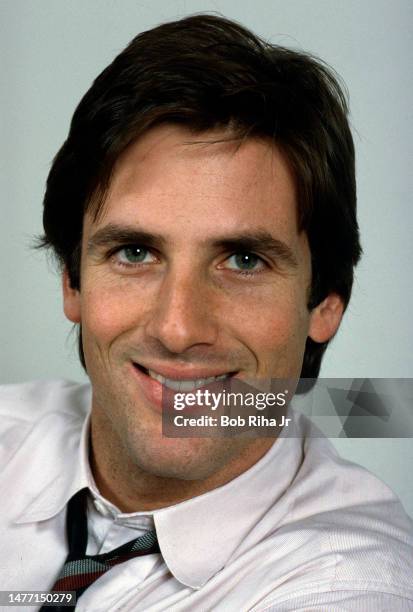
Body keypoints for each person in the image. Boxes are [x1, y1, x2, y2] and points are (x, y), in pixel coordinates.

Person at [1, 14, 412, 612]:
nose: (178, 328)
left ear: (326, 303)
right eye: (135, 253)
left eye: (243, 261)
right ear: (72, 281)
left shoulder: (351, 586)